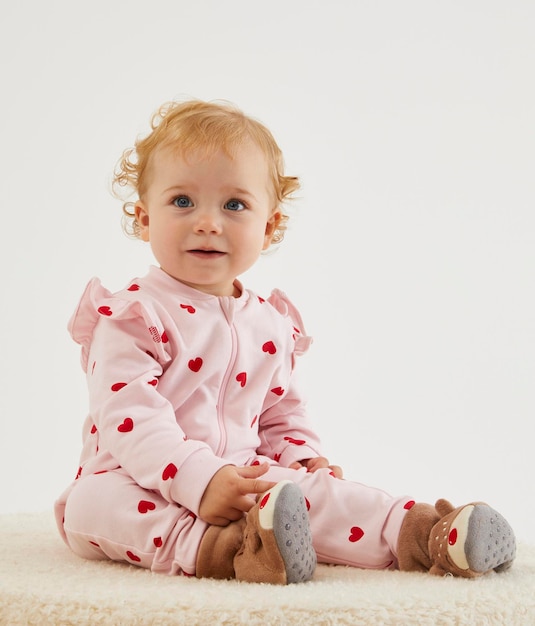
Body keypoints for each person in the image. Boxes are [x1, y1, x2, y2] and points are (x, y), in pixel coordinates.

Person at [55, 99, 516, 584]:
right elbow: (129, 415)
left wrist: (300, 457)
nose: (207, 222)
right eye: (182, 202)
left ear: (269, 226)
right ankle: (228, 548)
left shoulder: (269, 322)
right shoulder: (133, 314)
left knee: (321, 495)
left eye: (234, 205)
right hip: (139, 478)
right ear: (144, 217)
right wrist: (196, 478)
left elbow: (280, 412)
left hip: (240, 476)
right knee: (91, 505)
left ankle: (429, 535)